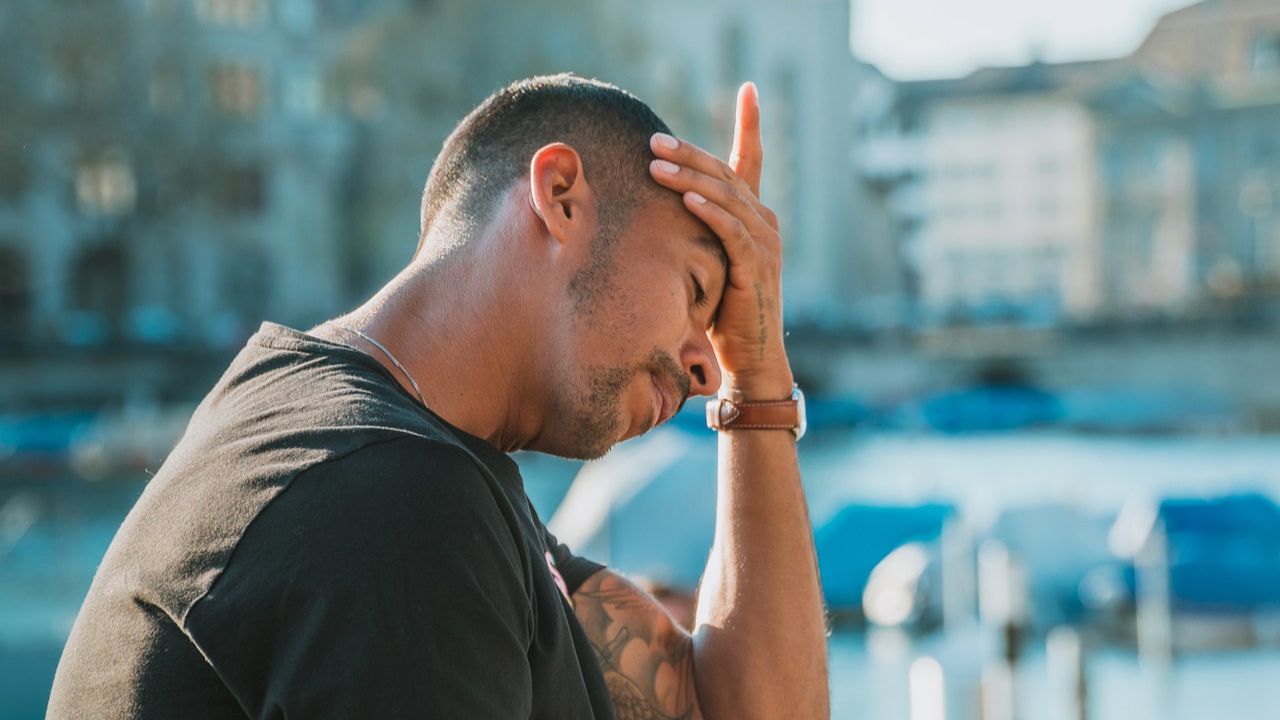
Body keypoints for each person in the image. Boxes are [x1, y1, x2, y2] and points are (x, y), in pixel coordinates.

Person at [48, 74, 828, 719]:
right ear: (560, 194)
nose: (707, 367)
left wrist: (759, 375)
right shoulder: (389, 496)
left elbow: (731, 708)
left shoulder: (373, 451)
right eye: (696, 291)